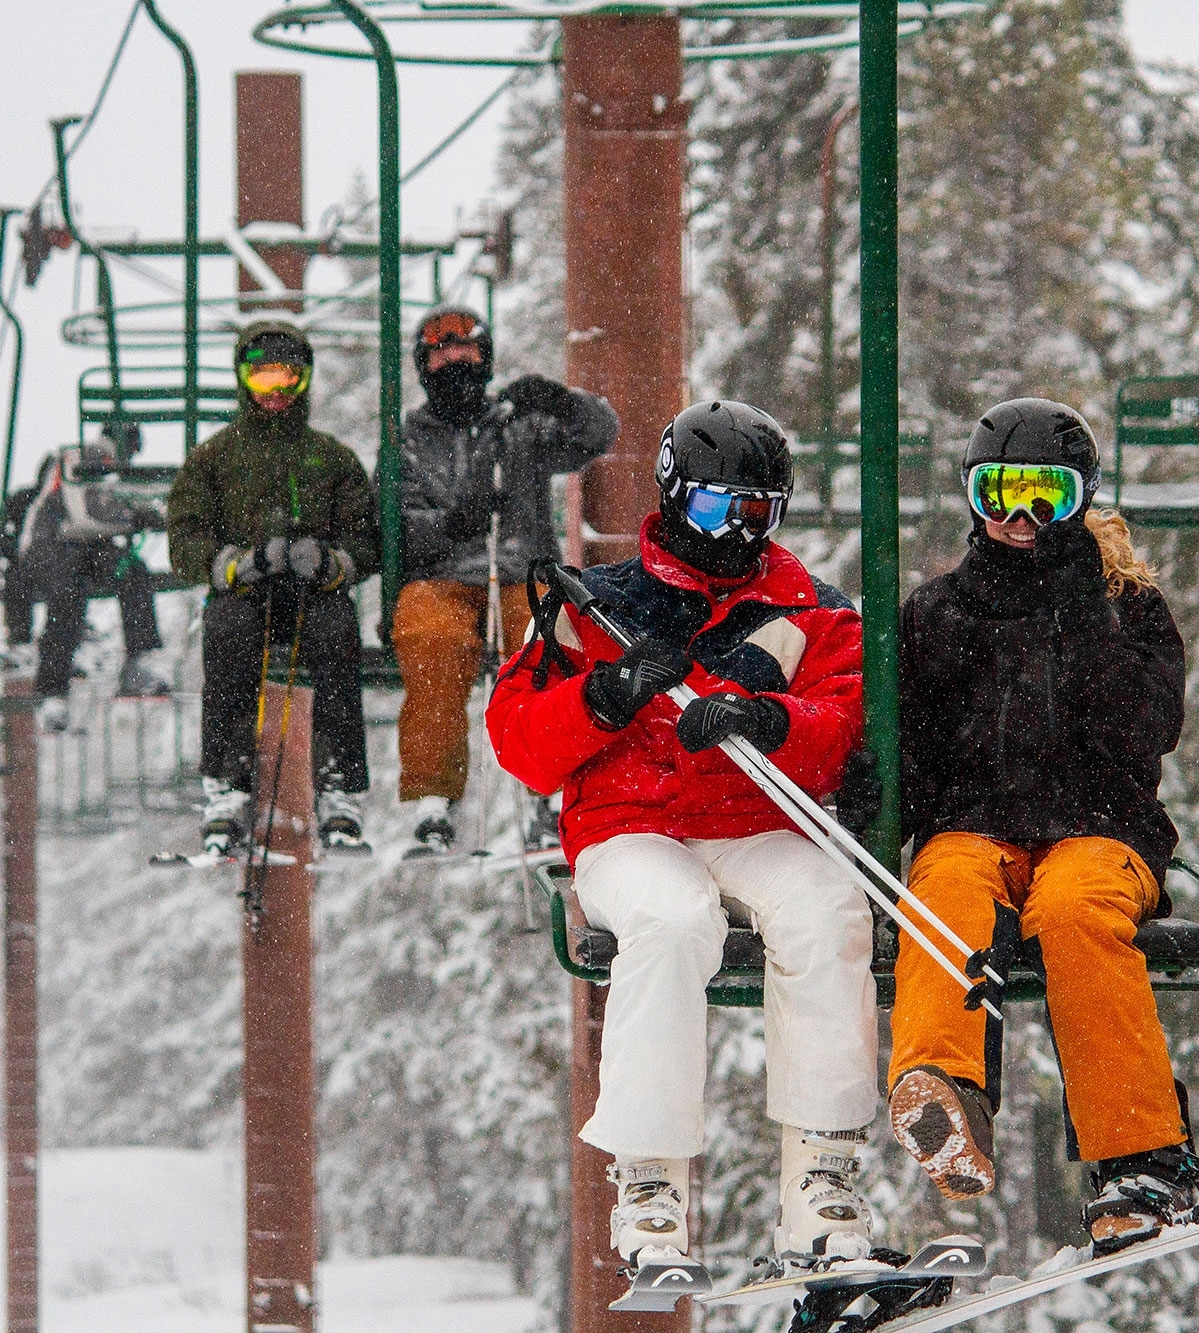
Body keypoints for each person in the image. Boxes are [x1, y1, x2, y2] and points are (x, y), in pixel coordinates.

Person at [487, 401, 879, 1269]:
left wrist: (764, 716)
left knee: (828, 909)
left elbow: (840, 724)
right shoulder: (599, 605)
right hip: (630, 822)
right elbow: (518, 740)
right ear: (672, 495)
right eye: (713, 507)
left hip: (753, 818)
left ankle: (822, 1171)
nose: (734, 531)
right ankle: (650, 1177)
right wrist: (604, 696)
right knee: (669, 921)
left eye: (755, 512)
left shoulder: (809, 608)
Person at [852, 397, 1198, 1254]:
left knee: (1075, 911)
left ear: (1080, 498)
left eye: (1043, 494)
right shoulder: (938, 613)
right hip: (978, 826)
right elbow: (914, 748)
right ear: (972, 496)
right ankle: (945, 1087)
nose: (1018, 516)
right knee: (944, 893)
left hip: (1100, 828)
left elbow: (1144, 727)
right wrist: (872, 792)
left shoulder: (1127, 605)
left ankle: (1138, 1157)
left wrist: (1083, 612)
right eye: (997, 490)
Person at [389, 306, 618, 855]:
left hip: (522, 569)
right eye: (442, 355)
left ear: (484, 360)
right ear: (426, 366)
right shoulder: (409, 441)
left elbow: (597, 435)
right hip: (442, 576)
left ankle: (552, 787)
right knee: (432, 641)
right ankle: (434, 797)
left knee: (549, 641)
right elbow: (397, 524)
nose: (455, 364)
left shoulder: (518, 425)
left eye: (466, 354)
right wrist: (450, 524)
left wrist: (560, 401)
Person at [167, 320, 380, 853]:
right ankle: (227, 783)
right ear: (244, 382)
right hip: (245, 591)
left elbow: (367, 536)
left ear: (303, 381)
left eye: (287, 379)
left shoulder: (330, 458)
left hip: (314, 592)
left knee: (336, 636)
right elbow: (185, 536)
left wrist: (334, 564)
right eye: (263, 380)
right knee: (229, 635)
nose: (277, 393)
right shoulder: (215, 458)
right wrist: (233, 565)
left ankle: (338, 787)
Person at [19, 431, 171, 730]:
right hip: (47, 544)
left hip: (86, 546)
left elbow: (104, 515)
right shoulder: (78, 458)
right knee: (68, 595)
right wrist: (134, 519)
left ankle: (137, 664)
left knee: (132, 571)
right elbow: (85, 516)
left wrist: (143, 515)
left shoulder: (112, 472)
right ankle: (52, 691)